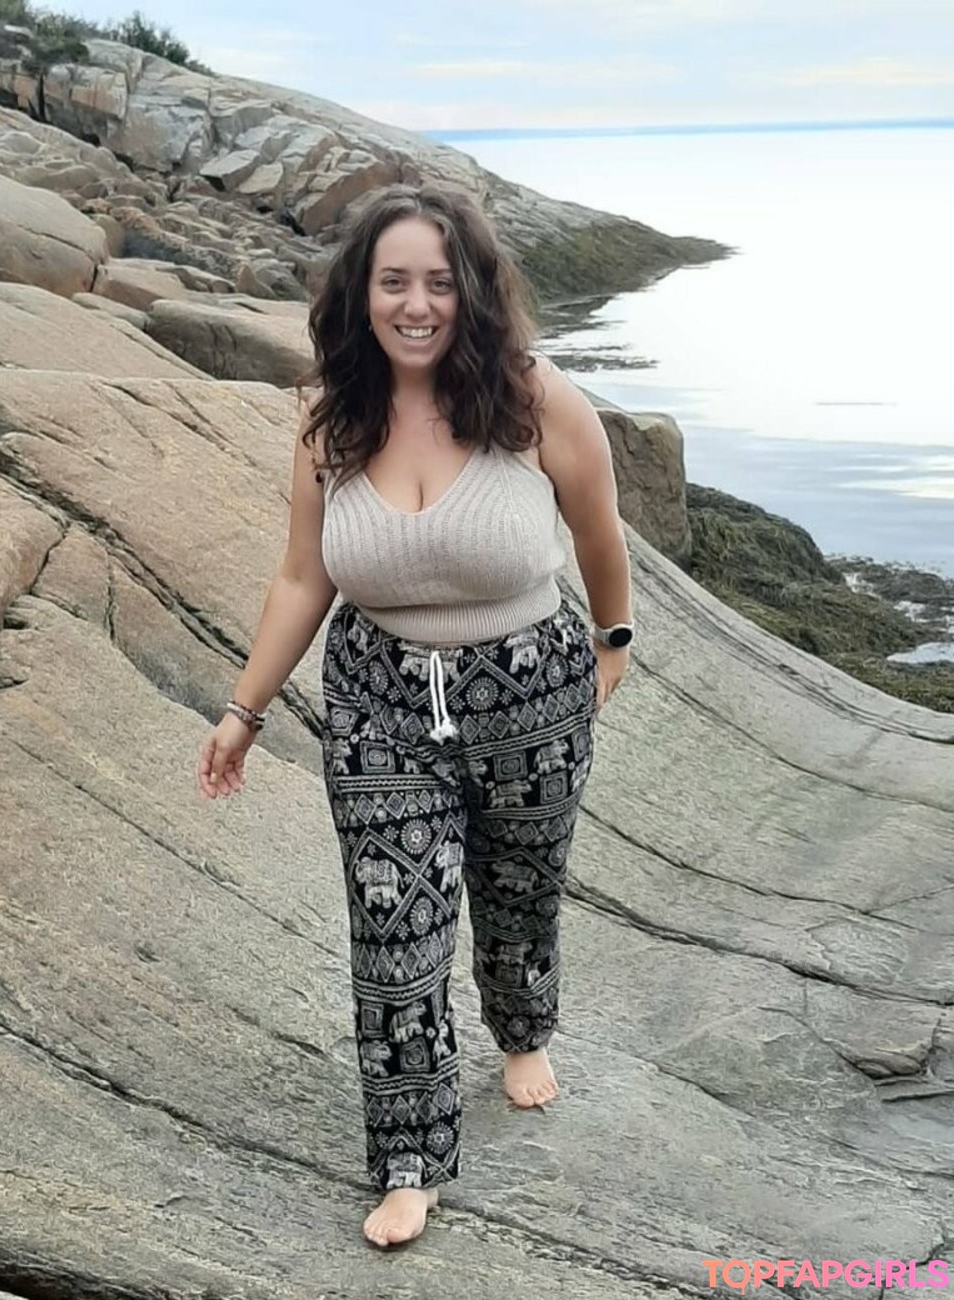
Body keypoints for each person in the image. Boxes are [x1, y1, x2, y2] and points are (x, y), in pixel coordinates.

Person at [196, 181, 633, 1249]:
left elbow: (599, 529)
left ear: (472, 291)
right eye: (394, 281)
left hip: (530, 695)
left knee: (519, 890)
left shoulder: (536, 400)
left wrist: (612, 641)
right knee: (395, 933)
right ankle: (408, 1160)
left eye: (439, 282)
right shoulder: (332, 419)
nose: (417, 304)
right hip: (379, 704)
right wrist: (245, 708)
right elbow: (303, 576)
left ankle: (521, 1029)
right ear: (362, 293)